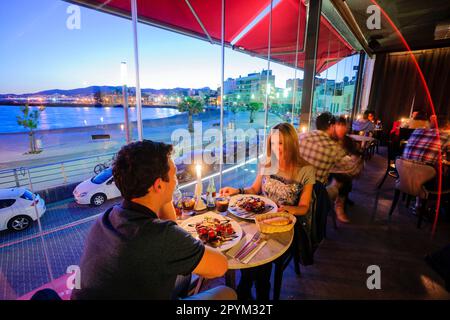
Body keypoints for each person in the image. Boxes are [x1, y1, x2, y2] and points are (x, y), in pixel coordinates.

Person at [71, 140, 235, 300]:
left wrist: (164, 195)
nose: (177, 180)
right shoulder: (159, 236)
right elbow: (220, 267)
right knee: (226, 293)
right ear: (158, 185)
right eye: (174, 174)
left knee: (182, 277)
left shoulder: (106, 218)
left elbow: (171, 227)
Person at [220, 123, 316, 300]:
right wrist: (237, 190)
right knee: (241, 242)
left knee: (258, 258)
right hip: (259, 220)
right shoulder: (266, 163)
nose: (277, 149)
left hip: (285, 225)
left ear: (291, 144)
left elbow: (304, 207)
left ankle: (249, 289)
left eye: (281, 143)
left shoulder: (306, 170)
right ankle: (255, 290)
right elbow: (254, 189)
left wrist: (288, 209)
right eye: (273, 143)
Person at [328, 116, 364, 222]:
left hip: (344, 171)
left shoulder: (349, 141)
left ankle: (339, 202)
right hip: (330, 171)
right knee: (344, 179)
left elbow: (356, 155)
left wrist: (354, 157)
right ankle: (339, 206)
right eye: (338, 125)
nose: (341, 128)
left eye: (343, 125)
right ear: (333, 127)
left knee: (345, 177)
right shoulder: (329, 140)